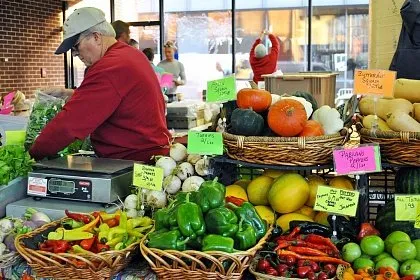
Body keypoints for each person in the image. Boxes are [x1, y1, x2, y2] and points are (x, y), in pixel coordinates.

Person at [29, 7, 170, 163]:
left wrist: (32, 154)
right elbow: (115, 100)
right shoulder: (129, 54)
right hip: (148, 156)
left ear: (96, 37)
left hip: (133, 163)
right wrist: (69, 94)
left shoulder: (109, 67)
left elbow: (69, 124)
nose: (76, 55)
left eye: (76, 47)